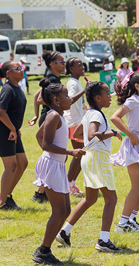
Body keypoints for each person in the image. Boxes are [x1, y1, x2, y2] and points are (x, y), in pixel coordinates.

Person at [56, 81, 121, 253]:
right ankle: (104, 240)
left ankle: (64, 232)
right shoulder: (97, 116)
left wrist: (88, 142)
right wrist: (113, 133)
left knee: (90, 199)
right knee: (111, 199)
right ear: (97, 98)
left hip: (89, 158)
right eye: (107, 94)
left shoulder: (90, 114)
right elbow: (92, 134)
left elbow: (78, 134)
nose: (110, 97)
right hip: (98, 158)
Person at [31, 79, 85, 265]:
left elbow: (39, 136)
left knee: (66, 209)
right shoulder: (54, 116)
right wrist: (68, 152)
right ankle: (43, 251)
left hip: (56, 164)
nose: (69, 98)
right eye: (65, 95)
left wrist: (55, 156)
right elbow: (45, 143)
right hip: (53, 165)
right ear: (55, 99)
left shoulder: (57, 115)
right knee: (59, 210)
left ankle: (45, 250)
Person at [110, 72, 139, 232]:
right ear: (137, 86)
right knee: (138, 186)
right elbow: (115, 118)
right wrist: (129, 134)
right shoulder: (133, 101)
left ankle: (131, 218)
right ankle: (122, 224)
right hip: (134, 146)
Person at [0, 60, 28, 211]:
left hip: (11, 129)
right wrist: (12, 128)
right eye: (17, 68)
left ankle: (6, 196)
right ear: (8, 73)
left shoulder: (16, 87)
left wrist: (15, 128)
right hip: (2, 129)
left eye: (21, 67)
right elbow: (0, 112)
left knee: (22, 163)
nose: (21, 70)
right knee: (11, 166)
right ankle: (2, 203)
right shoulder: (7, 89)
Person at [28, 50, 66, 204]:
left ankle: (42, 192)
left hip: (48, 117)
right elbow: (39, 99)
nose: (64, 64)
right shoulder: (52, 80)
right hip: (50, 118)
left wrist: (36, 115)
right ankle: (41, 192)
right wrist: (54, 101)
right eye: (61, 62)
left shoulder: (52, 78)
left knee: (55, 158)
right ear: (52, 64)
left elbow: (35, 96)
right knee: (53, 157)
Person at [64, 57, 88, 197]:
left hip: (78, 121)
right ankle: (69, 184)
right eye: (79, 65)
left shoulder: (76, 82)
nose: (82, 66)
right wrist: (84, 90)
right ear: (72, 69)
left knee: (80, 154)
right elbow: (70, 100)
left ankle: (70, 183)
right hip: (74, 123)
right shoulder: (72, 83)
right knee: (79, 154)